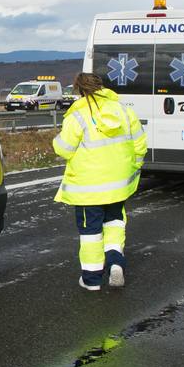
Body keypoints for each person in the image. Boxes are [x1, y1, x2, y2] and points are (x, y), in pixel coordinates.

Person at [53, 73, 148, 290]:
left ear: (79, 90)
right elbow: (140, 144)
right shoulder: (124, 111)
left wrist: (56, 140)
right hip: (119, 185)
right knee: (115, 223)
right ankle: (116, 263)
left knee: (91, 233)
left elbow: (64, 149)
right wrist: (134, 167)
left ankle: (92, 279)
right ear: (101, 86)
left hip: (89, 188)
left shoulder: (77, 115)